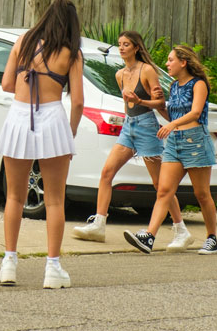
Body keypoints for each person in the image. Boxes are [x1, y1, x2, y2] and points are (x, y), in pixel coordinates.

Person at [73, 31, 194, 251]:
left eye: (126, 44)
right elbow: (128, 105)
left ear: (136, 47)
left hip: (147, 127)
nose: (121, 48)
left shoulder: (147, 70)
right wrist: (131, 108)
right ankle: (99, 224)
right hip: (129, 127)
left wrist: (140, 100)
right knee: (107, 172)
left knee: (161, 184)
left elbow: (159, 101)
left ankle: (181, 230)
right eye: (119, 44)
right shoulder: (119, 74)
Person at [0, 0, 83, 289]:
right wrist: (69, 135)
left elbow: (7, 84)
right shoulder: (71, 53)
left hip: (19, 116)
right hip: (52, 118)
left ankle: (8, 263)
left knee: (14, 197)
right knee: (55, 199)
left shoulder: (23, 40)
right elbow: (79, 102)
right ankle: (52, 268)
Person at [124, 46, 217, 255]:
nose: (167, 64)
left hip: (195, 141)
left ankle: (212, 238)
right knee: (164, 191)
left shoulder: (198, 84)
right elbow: (171, 115)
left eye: (170, 60)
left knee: (202, 194)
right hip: (175, 142)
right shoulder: (174, 86)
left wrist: (172, 124)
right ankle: (149, 236)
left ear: (183, 62)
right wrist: (149, 103)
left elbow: (195, 113)